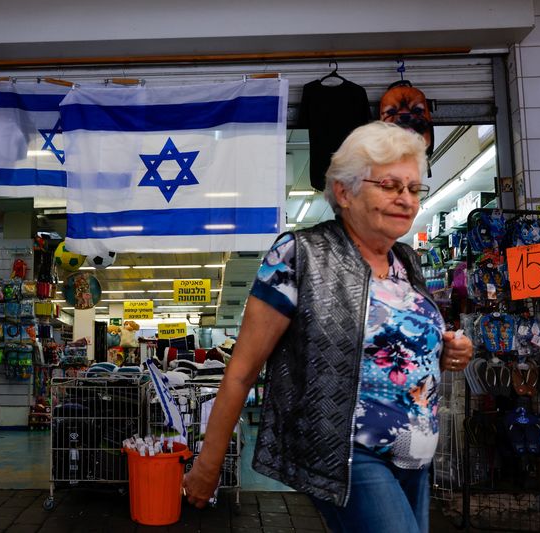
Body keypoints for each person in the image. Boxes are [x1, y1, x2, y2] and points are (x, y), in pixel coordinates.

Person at [182, 121, 473, 533]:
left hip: (415, 457)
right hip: (348, 454)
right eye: (390, 185)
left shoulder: (407, 261)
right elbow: (243, 369)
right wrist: (208, 463)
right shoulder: (300, 255)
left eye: (412, 188)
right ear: (344, 191)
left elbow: (390, 354)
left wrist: (451, 352)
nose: (405, 199)